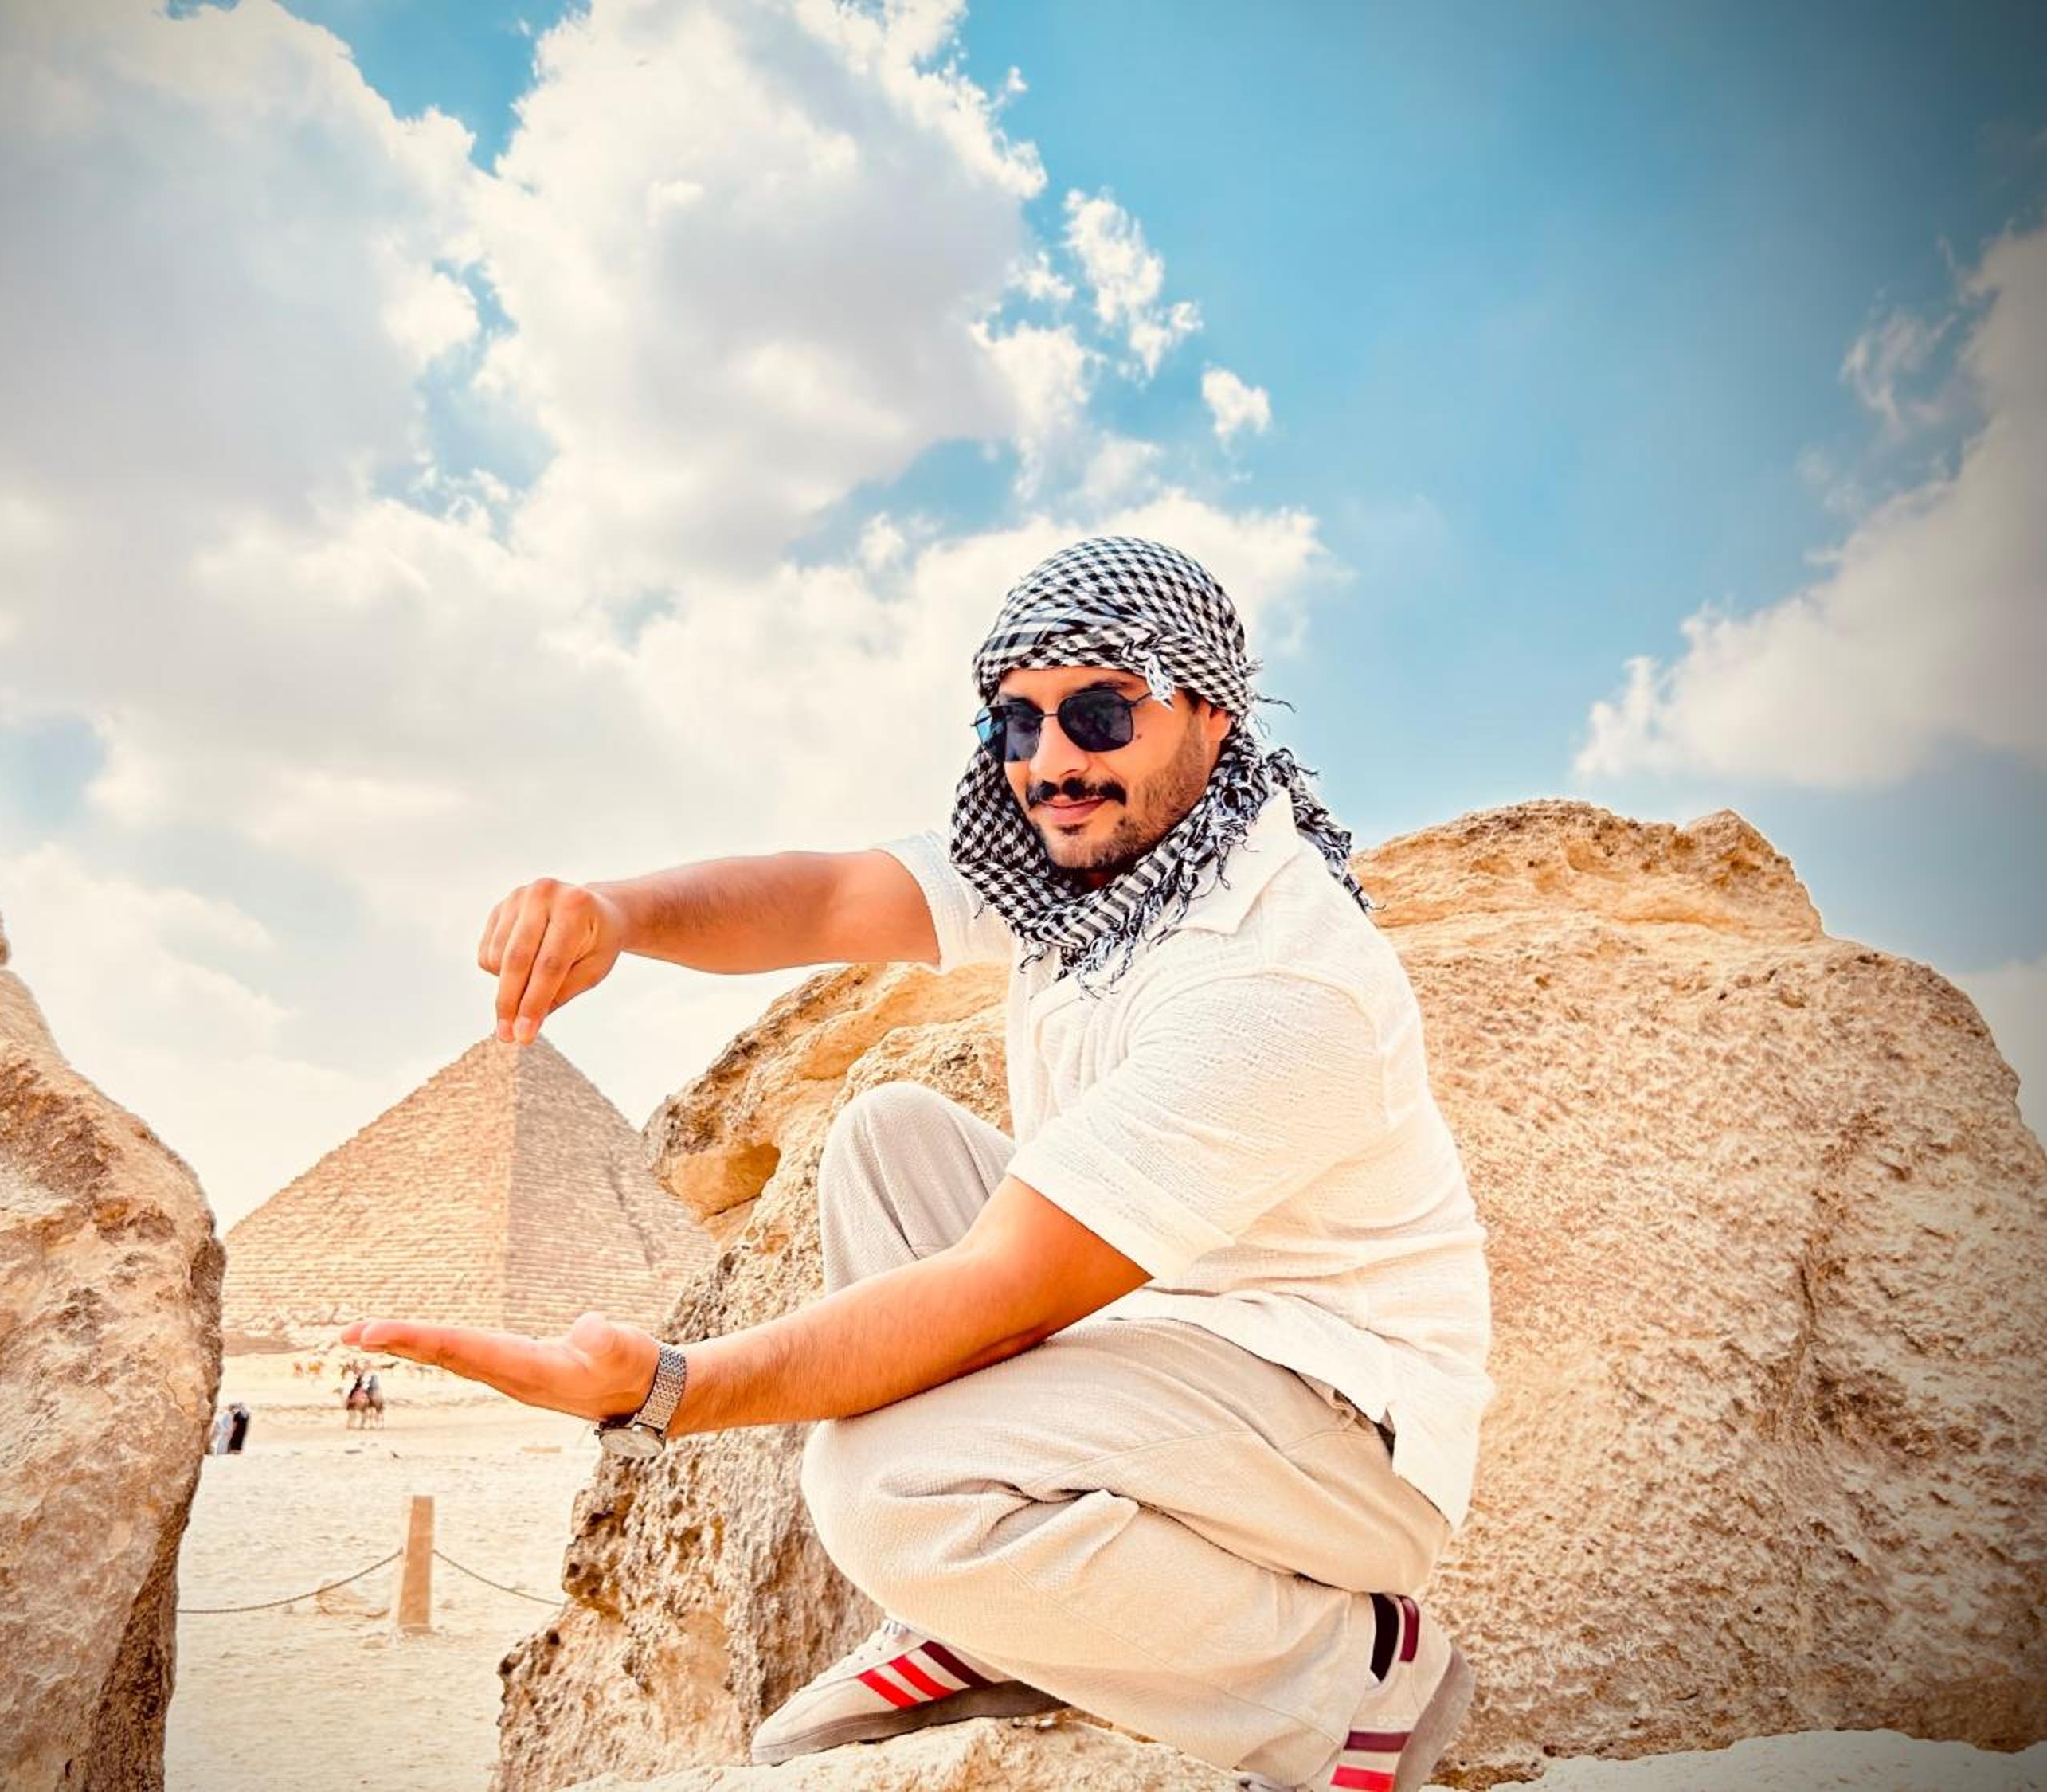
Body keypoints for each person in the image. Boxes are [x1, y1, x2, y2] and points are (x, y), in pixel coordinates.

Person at [342, 537, 1493, 1790]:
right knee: (889, 1141)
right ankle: (990, 1617)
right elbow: (831, 898)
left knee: (882, 1485)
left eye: (1103, 711)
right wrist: (618, 912)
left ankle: (1347, 1675)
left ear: (1210, 713)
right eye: (1019, 721)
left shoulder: (1274, 973)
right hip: (1182, 1341)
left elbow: (1001, 1293)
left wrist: (665, 1386)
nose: (1053, 761)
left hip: (1339, 1434)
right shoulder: (1094, 868)